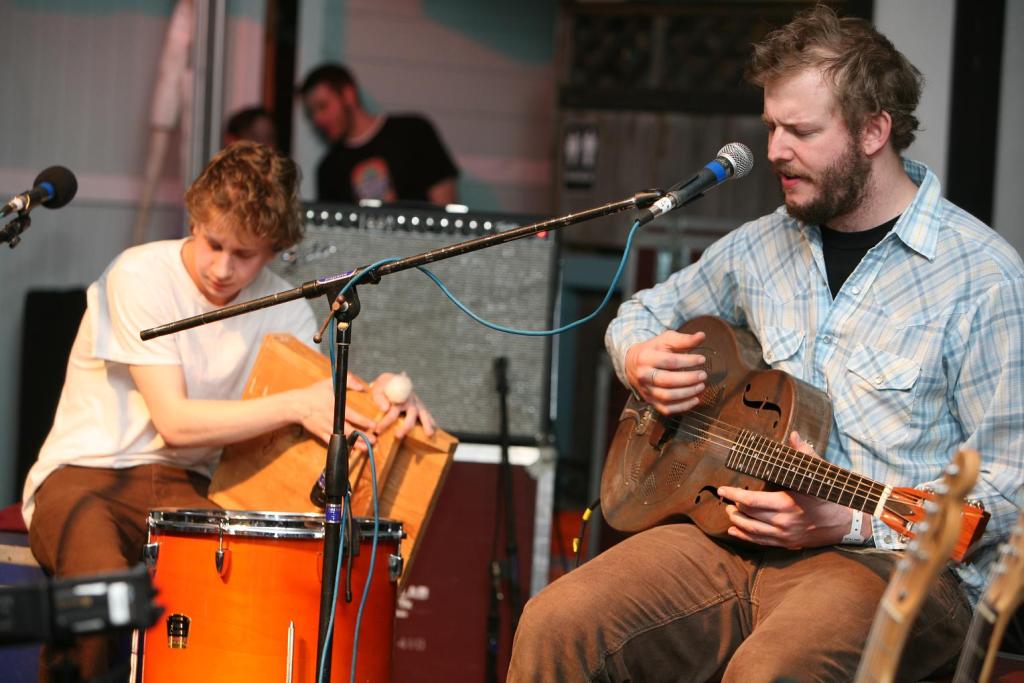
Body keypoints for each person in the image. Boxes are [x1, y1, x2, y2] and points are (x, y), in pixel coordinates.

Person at [509, 6, 1024, 682]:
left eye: (801, 131)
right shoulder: (760, 245)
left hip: (894, 569)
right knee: (556, 621)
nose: (776, 150)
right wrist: (639, 356)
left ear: (875, 130)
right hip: (728, 541)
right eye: (772, 127)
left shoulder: (982, 277)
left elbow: (1009, 489)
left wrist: (849, 521)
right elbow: (644, 310)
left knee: (772, 671)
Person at [21, 141, 435, 680]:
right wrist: (296, 403)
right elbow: (175, 422)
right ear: (194, 219)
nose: (221, 268)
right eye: (213, 243)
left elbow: (325, 403)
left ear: (274, 249)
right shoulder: (139, 274)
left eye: (244, 255)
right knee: (99, 593)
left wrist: (384, 397)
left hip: (190, 486)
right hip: (86, 475)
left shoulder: (284, 304)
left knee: (246, 596)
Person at [300, 62, 459, 205]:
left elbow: (446, 207)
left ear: (348, 95)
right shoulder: (328, 169)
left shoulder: (414, 132)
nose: (317, 119)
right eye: (311, 114)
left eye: (322, 106)